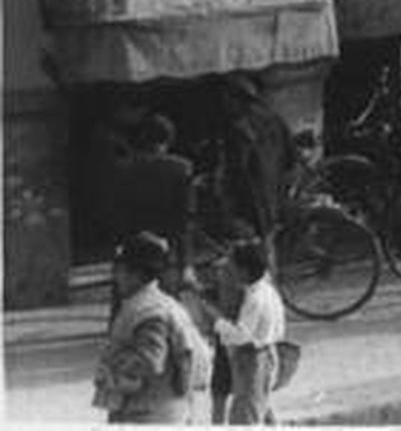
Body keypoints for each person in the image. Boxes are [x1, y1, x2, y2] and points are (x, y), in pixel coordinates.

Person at [92, 231, 209, 425]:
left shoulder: (148, 311)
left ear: (136, 274)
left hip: (148, 413)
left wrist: (110, 372)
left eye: (120, 270)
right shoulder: (161, 303)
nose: (116, 277)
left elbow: (149, 360)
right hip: (162, 410)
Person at [106, 114, 192, 310]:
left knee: (126, 313)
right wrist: (186, 263)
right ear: (168, 140)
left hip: (131, 250)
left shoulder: (123, 169)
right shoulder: (180, 169)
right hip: (165, 253)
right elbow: (184, 221)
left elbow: (114, 215)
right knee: (164, 311)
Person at [205, 240, 285, 425]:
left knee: (245, 417)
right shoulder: (266, 290)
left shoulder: (255, 298)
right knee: (256, 408)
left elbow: (241, 336)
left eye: (231, 266)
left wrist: (217, 321)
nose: (227, 270)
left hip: (252, 359)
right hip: (264, 355)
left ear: (244, 271)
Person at [218, 77, 293, 244]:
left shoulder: (239, 127)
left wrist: (227, 193)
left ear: (237, 98)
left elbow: (238, 165)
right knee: (271, 235)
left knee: (252, 240)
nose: (225, 104)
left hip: (252, 191)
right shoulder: (275, 119)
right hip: (275, 186)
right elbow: (290, 156)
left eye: (227, 98)